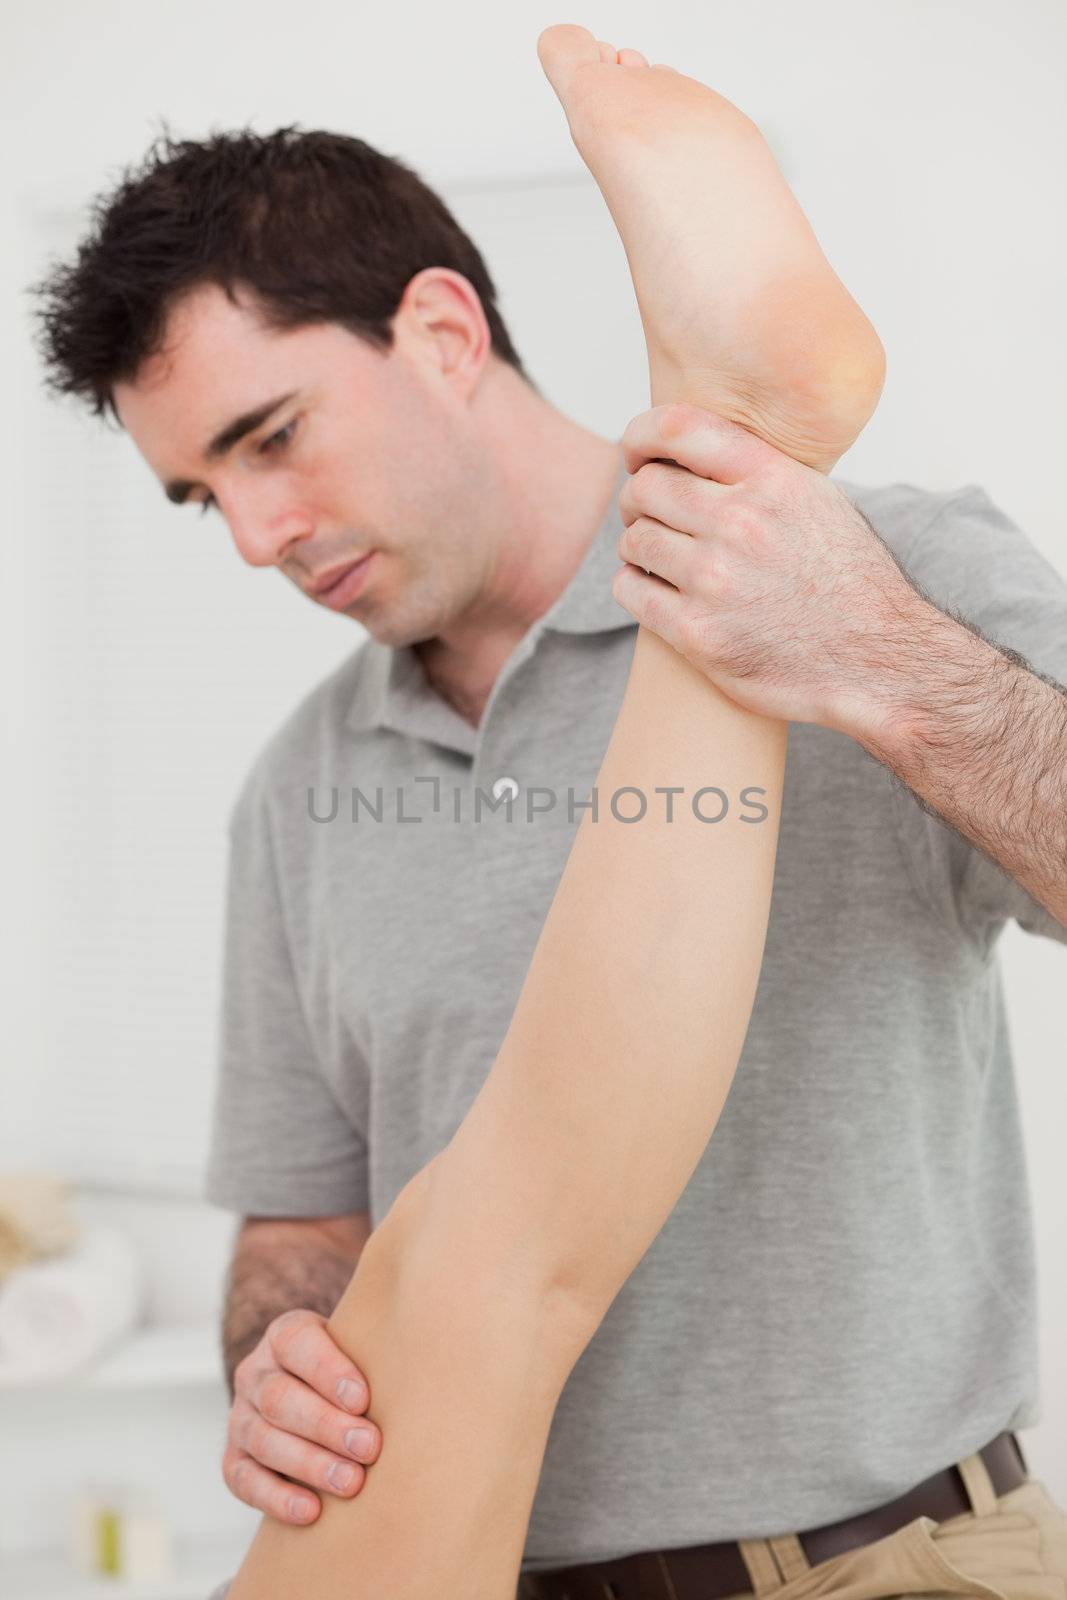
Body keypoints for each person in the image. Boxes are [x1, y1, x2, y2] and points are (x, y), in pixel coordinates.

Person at [31, 23, 1067, 1600]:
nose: (252, 534)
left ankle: (737, 413)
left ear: (443, 331)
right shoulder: (301, 794)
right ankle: (735, 402)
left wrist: (876, 657)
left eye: (271, 439)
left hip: (894, 1560)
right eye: (203, 497)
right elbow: (302, 1224)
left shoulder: (888, 572)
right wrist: (273, 1354)